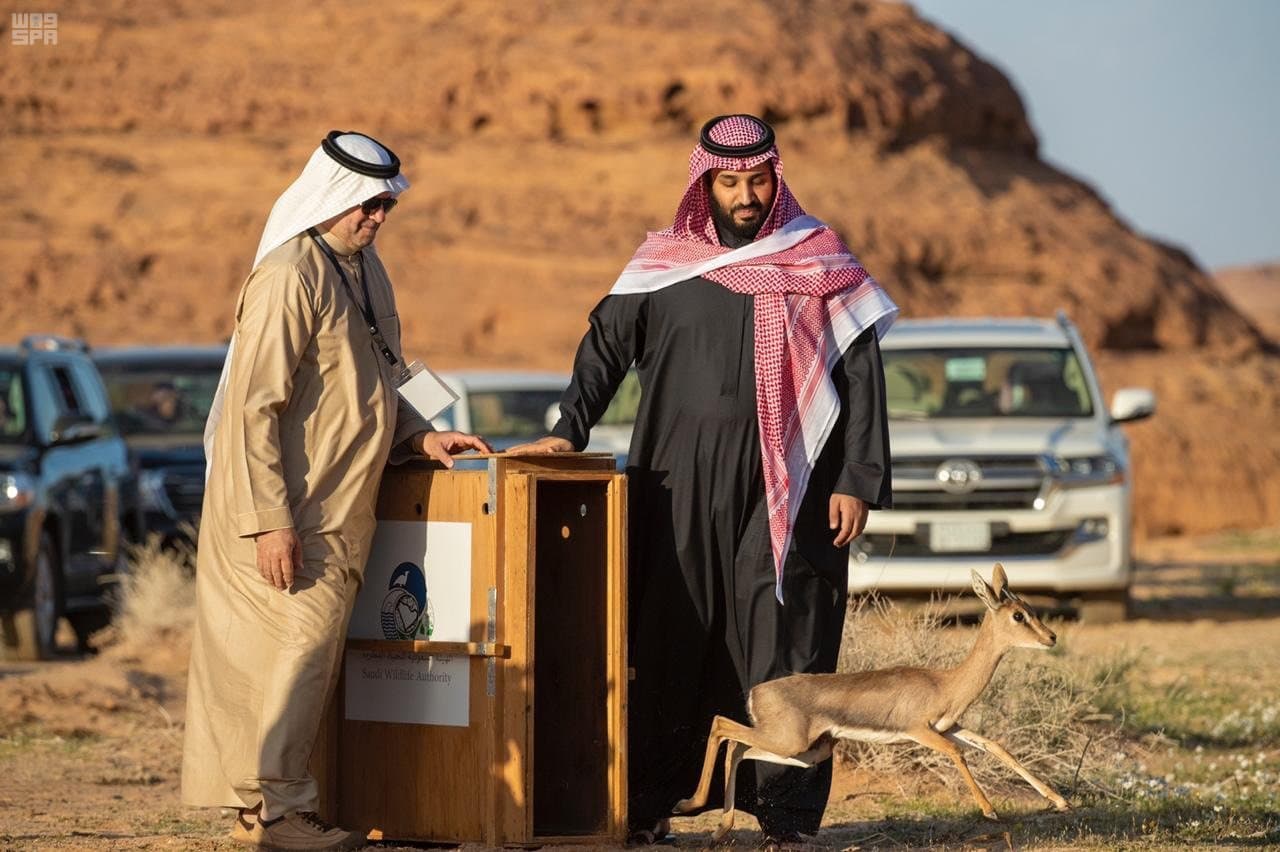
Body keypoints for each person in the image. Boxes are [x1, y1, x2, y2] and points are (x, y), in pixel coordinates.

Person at [509, 115, 898, 842]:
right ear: (704, 184)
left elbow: (861, 376)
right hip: (676, 483)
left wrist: (858, 475)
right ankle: (652, 803)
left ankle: (784, 817)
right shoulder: (665, 267)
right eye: (729, 182)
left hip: (792, 488)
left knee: (785, 645)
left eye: (758, 181)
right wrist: (569, 429)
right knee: (668, 633)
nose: (746, 196)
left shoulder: (819, 262)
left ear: (776, 178)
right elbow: (603, 351)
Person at [182, 131, 490, 851]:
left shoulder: (365, 269)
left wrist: (420, 436)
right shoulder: (290, 276)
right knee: (294, 659)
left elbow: (383, 372)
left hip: (339, 507)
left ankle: (264, 811)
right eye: (366, 204)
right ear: (329, 197)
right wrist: (269, 520)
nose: (377, 217)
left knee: (299, 663)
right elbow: (253, 409)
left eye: (386, 206)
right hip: (290, 510)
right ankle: (278, 815)